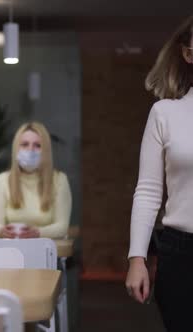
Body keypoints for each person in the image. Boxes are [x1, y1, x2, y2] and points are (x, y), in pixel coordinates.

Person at [125, 15, 193, 331]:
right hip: (180, 255)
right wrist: (137, 258)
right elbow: (149, 190)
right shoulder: (164, 113)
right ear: (188, 54)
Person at [0, 122, 71, 239]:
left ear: (45, 151)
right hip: (12, 251)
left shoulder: (60, 180)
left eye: (37, 145)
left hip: (47, 252)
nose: (30, 150)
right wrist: (1, 231)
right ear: (16, 148)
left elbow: (62, 227)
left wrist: (38, 233)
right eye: (25, 144)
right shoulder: (3, 180)